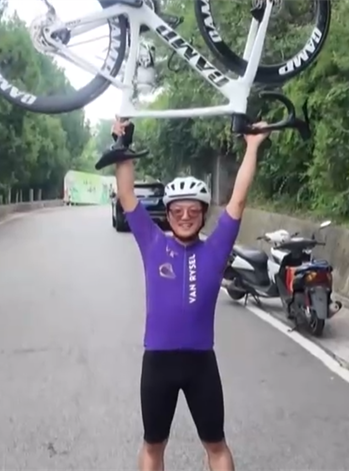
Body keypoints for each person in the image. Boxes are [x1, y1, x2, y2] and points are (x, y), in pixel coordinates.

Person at [112, 117, 269, 471]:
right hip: (158, 362)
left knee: (216, 445)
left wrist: (252, 146)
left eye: (193, 211)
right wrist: (123, 143)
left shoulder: (215, 248)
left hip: (201, 364)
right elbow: (127, 196)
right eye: (178, 211)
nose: (185, 217)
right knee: (153, 445)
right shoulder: (153, 243)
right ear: (167, 215)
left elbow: (238, 200)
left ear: (203, 215)